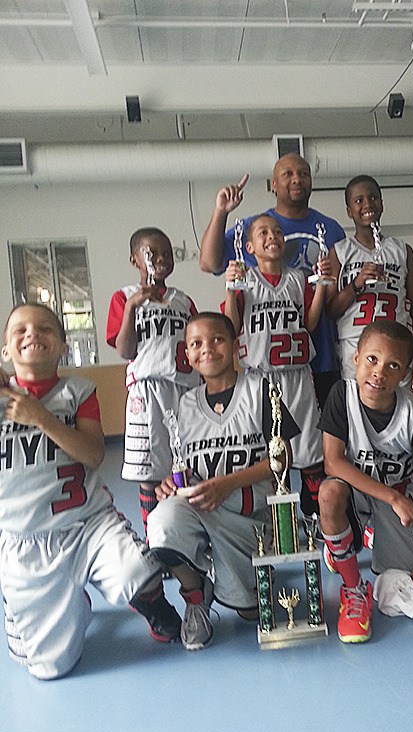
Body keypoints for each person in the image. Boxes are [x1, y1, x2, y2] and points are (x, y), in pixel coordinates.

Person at [0, 303, 181, 680]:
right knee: (52, 668)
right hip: (27, 541)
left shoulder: (77, 391)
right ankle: (65, 606)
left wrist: (40, 417)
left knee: (138, 570)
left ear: (64, 345)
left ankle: (149, 604)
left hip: (88, 525)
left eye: (45, 328)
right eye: (20, 331)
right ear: (5, 351)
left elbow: (94, 454)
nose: (33, 334)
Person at [146, 312, 299, 650]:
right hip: (202, 508)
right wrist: (168, 487)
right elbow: (183, 466)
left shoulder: (261, 391)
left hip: (248, 516)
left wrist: (228, 483)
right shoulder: (184, 406)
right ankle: (196, 594)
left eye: (216, 339)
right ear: (187, 354)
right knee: (162, 524)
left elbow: (284, 456)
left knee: (249, 612)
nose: (207, 348)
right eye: (196, 343)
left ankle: (248, 572)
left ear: (235, 346)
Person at [318, 320, 413, 643]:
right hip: (363, 495)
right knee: (329, 493)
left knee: (406, 576)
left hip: (401, 500)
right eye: (372, 359)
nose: (379, 372)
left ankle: (366, 534)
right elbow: (333, 461)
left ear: (404, 374)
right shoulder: (340, 395)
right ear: (356, 358)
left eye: (393, 366)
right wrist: (392, 498)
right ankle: (353, 586)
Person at [199, 154, 346, 408]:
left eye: (303, 173)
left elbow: (335, 293)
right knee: (271, 439)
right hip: (265, 359)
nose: (297, 179)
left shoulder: (331, 229)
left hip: (319, 352)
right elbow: (209, 263)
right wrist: (221, 211)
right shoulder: (256, 226)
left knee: (316, 439)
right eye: (287, 174)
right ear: (273, 184)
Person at [223, 213, 327, 518]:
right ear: (250, 246)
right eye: (264, 233)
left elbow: (310, 322)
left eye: (278, 232)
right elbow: (231, 326)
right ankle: (274, 522)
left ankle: (317, 519)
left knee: (309, 449)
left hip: (298, 376)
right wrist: (230, 290)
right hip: (260, 378)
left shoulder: (297, 278)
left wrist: (322, 285)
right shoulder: (245, 280)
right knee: (270, 454)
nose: (273, 237)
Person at [106, 227, 199, 536]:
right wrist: (133, 306)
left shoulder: (183, 301)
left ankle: (186, 531)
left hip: (184, 388)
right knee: (148, 470)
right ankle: (153, 538)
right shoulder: (124, 297)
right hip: (145, 390)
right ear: (135, 260)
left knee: (186, 462)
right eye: (152, 254)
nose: (160, 259)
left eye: (167, 254)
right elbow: (125, 350)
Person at [327, 175, 413, 394]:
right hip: (355, 347)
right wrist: (356, 284)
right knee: (358, 418)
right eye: (359, 200)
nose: (367, 204)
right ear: (349, 210)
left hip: (397, 346)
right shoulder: (340, 252)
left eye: (373, 197)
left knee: (402, 417)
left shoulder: (402, 250)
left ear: (382, 203)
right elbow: (331, 310)